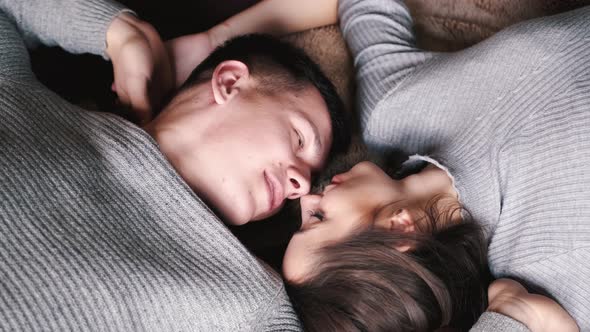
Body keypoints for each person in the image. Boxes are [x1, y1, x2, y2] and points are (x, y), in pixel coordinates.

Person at [180, 0, 590, 330]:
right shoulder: (551, 267)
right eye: (318, 219)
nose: (304, 197)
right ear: (399, 232)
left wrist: (215, 42)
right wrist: (513, 316)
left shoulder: (391, 114)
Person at [0, 0, 351, 330]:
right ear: (229, 82)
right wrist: (120, 33)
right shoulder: (21, 99)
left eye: (306, 176)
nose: (301, 187)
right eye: (299, 139)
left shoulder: (250, 303)